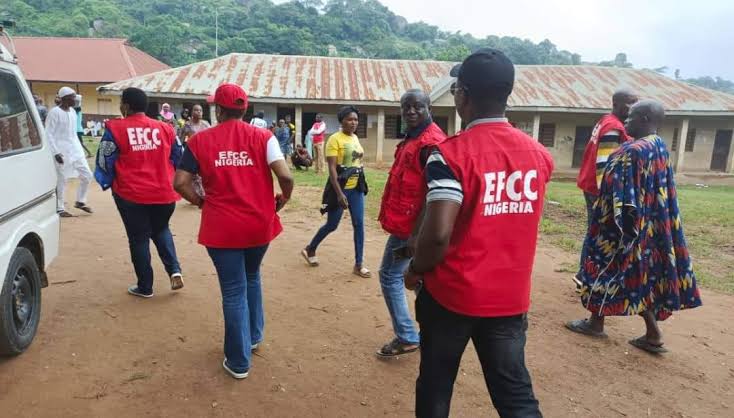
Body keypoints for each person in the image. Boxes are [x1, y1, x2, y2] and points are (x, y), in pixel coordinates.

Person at [405, 49, 550, 417]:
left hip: (452, 297)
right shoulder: (538, 156)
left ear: (463, 95)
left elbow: (437, 235)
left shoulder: (449, 156)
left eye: (456, 90)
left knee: (436, 385)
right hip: (510, 300)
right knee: (516, 397)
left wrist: (416, 269)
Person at [174, 83, 294, 380]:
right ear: (244, 109)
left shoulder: (200, 141)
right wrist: (282, 201)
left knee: (233, 290)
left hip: (222, 227)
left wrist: (201, 201)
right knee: (252, 276)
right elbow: (286, 176)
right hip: (258, 224)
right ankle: (253, 338)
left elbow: (179, 183)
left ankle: (238, 361)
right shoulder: (263, 136)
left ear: (218, 109)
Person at [565, 100, 702, 354]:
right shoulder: (658, 146)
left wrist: (619, 231)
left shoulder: (630, 152)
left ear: (646, 119)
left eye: (632, 117)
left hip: (620, 228)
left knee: (603, 267)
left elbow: (619, 197)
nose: (626, 122)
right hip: (650, 226)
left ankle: (595, 323)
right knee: (640, 276)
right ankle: (653, 334)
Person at [375, 89, 446, 358]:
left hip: (412, 231)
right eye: (406, 107)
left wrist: (416, 235)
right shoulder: (413, 139)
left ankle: (407, 336)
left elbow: (435, 194)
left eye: (418, 106)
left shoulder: (431, 144)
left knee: (390, 274)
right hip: (406, 226)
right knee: (416, 278)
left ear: (430, 108)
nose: (411, 112)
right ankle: (435, 325)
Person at [94, 87, 185, 298]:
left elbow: (105, 158)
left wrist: (106, 181)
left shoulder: (115, 128)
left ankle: (145, 286)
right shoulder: (166, 129)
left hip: (130, 194)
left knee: (138, 238)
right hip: (164, 193)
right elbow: (179, 156)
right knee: (161, 229)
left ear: (125, 105)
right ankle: (175, 270)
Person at [574, 89, 638, 290]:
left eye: (636, 102)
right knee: (596, 233)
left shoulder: (607, 121)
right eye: (630, 102)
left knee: (594, 231)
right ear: (616, 103)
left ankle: (583, 275)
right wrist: (607, 196)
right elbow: (604, 164)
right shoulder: (613, 127)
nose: (633, 106)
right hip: (598, 189)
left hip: (591, 185)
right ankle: (585, 276)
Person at [301, 106, 371, 277]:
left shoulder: (354, 138)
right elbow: (332, 169)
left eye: (355, 119)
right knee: (332, 225)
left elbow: (356, 161)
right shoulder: (334, 139)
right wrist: (339, 194)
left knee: (359, 225)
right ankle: (310, 248)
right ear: (341, 121)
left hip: (356, 188)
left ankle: (358, 264)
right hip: (339, 188)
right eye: (349, 119)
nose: (353, 122)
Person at [45, 87, 94, 218]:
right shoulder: (54, 112)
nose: (75, 99)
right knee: (62, 179)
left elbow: (72, 135)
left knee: (87, 175)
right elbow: (48, 133)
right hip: (61, 151)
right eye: (73, 96)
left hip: (75, 150)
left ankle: (80, 201)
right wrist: (56, 152)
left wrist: (81, 149)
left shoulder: (72, 111)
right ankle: (60, 208)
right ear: (65, 98)